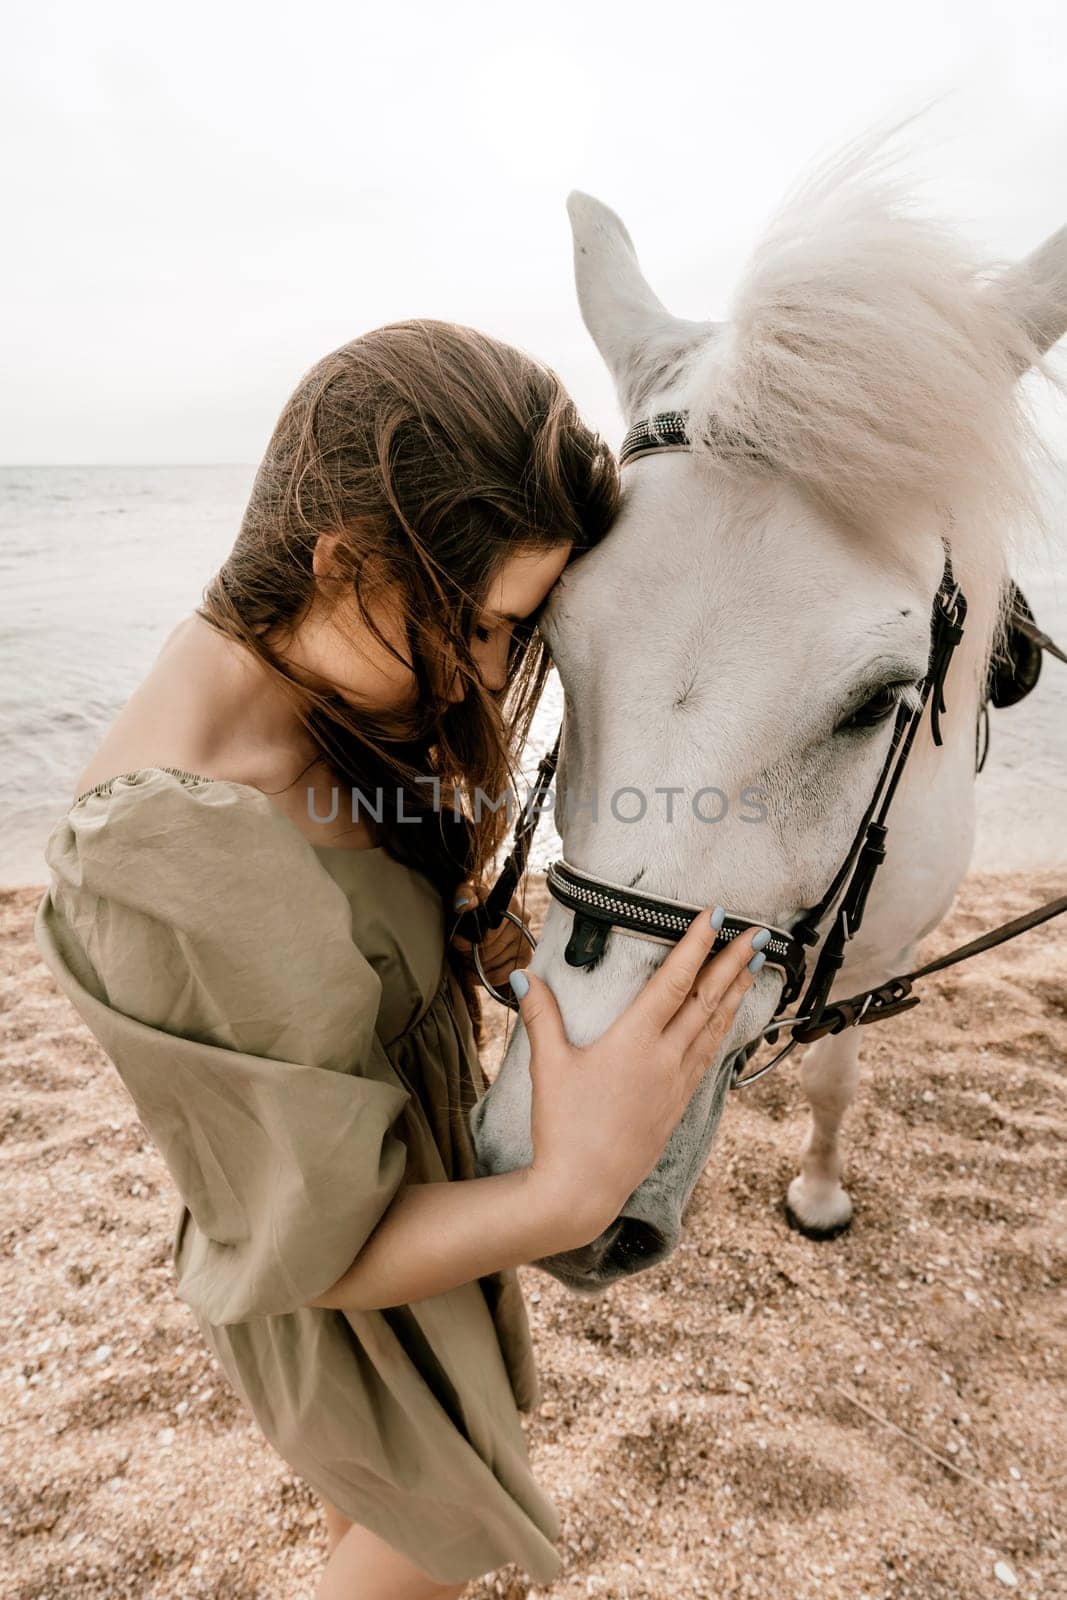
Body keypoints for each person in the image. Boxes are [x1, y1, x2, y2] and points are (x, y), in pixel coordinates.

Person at [34, 320, 769, 1599]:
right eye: (484, 629)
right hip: (350, 1279)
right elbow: (318, 1245)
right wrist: (569, 1189)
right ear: (341, 559)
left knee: (394, 1511)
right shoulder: (173, 843)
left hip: (411, 1194)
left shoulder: (303, 682)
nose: (490, 676)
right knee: (424, 1547)